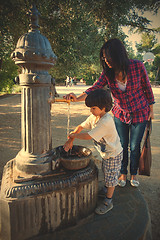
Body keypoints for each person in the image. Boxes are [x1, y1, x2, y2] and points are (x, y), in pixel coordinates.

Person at [64, 38, 155, 187]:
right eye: (104, 58)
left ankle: (133, 174)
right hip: (120, 113)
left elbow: (147, 88)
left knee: (134, 146)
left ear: (118, 55)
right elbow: (94, 88)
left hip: (140, 112)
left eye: (109, 57)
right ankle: (122, 173)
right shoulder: (108, 73)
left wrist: (151, 110)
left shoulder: (137, 66)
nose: (106, 61)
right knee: (122, 144)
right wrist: (76, 98)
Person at [63, 89, 123, 215]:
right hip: (106, 154)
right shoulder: (95, 116)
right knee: (107, 172)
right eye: (90, 108)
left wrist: (73, 136)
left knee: (111, 177)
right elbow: (80, 127)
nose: (91, 111)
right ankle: (107, 189)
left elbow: (88, 136)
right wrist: (70, 140)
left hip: (113, 154)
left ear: (104, 108)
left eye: (93, 108)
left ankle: (108, 201)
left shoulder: (106, 121)